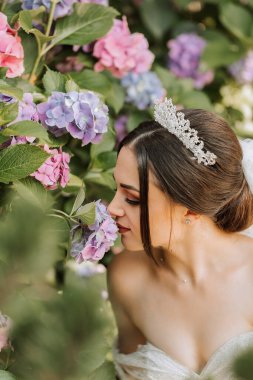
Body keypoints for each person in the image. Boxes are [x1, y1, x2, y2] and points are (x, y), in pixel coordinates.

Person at [107, 98, 253, 380]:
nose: (112, 208)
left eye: (133, 199)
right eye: (117, 189)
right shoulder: (125, 277)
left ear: (190, 208)